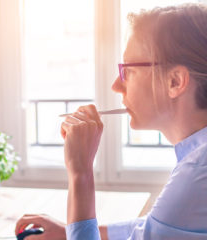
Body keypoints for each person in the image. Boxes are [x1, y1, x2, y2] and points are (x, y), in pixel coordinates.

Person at [15, 3, 207, 240]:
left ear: (175, 82)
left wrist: (81, 173)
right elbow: (155, 227)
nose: (116, 85)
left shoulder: (198, 172)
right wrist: (68, 232)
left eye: (128, 71)